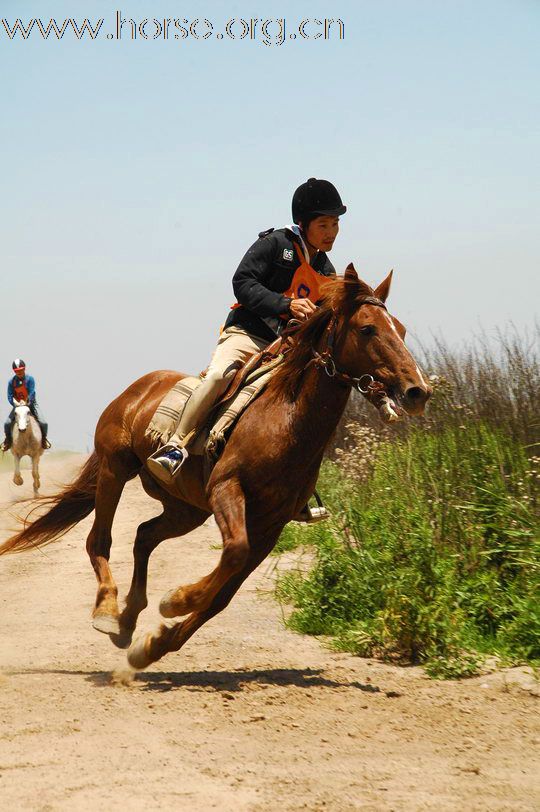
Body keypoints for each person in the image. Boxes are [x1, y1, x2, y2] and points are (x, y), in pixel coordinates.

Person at [147, 177, 346, 483]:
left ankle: (297, 482)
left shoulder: (326, 270)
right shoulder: (275, 244)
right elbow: (242, 283)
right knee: (218, 376)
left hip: (284, 348)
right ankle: (176, 445)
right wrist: (285, 305)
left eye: (335, 224)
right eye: (324, 225)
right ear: (303, 223)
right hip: (248, 334)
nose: (331, 232)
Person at [3, 359, 50, 451]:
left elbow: (32, 392)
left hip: (31, 403)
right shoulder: (11, 382)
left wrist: (27, 402)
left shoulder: (30, 379)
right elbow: (9, 396)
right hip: (18, 406)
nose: (19, 372)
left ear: (24, 369)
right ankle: (8, 441)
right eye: (17, 371)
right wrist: (15, 403)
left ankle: (44, 440)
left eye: (21, 370)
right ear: (14, 372)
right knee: (7, 423)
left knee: (44, 423)